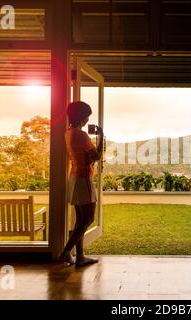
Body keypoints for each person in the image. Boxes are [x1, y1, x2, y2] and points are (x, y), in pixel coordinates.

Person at [59, 101, 104, 267]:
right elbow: (96, 156)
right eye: (87, 116)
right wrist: (101, 137)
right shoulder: (81, 135)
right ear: (81, 116)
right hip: (83, 178)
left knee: (80, 219)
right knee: (89, 218)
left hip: (74, 177)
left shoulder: (68, 133)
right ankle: (66, 251)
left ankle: (80, 257)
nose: (87, 119)